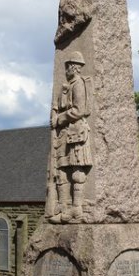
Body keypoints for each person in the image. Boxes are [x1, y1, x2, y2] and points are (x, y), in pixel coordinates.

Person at [49, 51, 92, 223]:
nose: (66, 70)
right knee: (63, 169)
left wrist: (59, 119)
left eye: (68, 66)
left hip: (76, 132)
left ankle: (77, 209)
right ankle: (64, 207)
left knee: (76, 170)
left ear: (74, 67)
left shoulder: (78, 84)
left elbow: (79, 110)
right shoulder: (69, 85)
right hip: (67, 133)